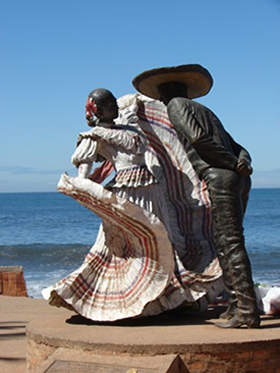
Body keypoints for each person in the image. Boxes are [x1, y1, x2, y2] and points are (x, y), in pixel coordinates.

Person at [42, 87, 223, 321]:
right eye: (110, 104)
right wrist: (85, 187)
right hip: (126, 194)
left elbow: (147, 145)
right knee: (130, 246)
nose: (115, 106)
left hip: (152, 190)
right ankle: (136, 300)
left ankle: (168, 298)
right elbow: (83, 167)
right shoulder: (93, 136)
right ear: (99, 110)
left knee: (165, 241)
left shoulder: (129, 125)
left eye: (115, 103)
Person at [132, 64, 260, 328]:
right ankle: (236, 307)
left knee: (230, 244)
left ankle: (246, 313)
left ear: (165, 92)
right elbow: (240, 147)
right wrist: (242, 163)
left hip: (219, 176)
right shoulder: (206, 111)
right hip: (233, 177)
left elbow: (199, 139)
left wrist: (230, 164)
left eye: (160, 94)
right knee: (226, 243)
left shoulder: (176, 106)